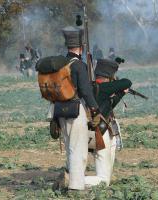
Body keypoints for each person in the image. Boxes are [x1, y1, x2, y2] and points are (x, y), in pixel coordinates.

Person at [51, 26, 101, 191]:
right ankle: (76, 187)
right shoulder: (79, 65)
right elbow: (86, 92)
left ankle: (68, 180)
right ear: (81, 48)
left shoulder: (60, 64)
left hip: (59, 110)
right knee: (78, 149)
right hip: (75, 109)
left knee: (70, 147)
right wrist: (95, 109)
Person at [85, 58, 132, 186]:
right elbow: (127, 82)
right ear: (109, 76)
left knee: (108, 176)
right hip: (100, 133)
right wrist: (117, 84)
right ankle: (72, 180)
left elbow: (109, 106)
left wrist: (121, 94)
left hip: (102, 130)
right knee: (104, 181)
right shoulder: (104, 87)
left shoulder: (92, 87)